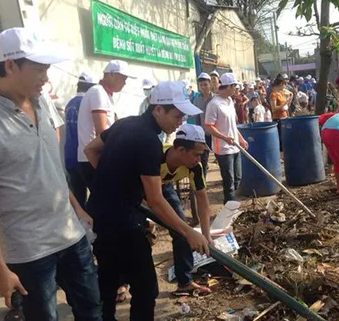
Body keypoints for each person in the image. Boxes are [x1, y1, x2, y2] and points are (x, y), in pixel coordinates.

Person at [0, 27, 102, 320]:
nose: (46, 77)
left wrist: (77, 209)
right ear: (10, 65)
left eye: (46, 69)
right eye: (38, 69)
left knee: (92, 311)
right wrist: (0, 268)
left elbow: (51, 168)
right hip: (29, 251)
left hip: (70, 236)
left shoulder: (44, 102)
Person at [83, 81, 209, 321]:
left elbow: (91, 150)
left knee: (107, 285)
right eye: (177, 115)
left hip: (99, 214)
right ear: (158, 109)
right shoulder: (150, 142)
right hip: (123, 222)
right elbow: (155, 200)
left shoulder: (123, 124)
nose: (180, 121)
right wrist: (187, 232)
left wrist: (111, 181)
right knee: (146, 288)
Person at [159, 124, 213, 296]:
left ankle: (185, 282)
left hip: (164, 186)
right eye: (196, 154)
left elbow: (202, 200)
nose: (199, 159)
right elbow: (151, 199)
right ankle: (119, 282)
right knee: (132, 234)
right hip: (136, 187)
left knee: (182, 232)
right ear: (180, 149)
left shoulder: (194, 167)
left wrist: (206, 235)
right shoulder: (155, 156)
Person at [77, 60, 136, 191]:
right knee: (105, 200)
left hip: (96, 154)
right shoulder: (98, 92)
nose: (124, 83)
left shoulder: (105, 94)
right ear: (111, 75)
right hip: (93, 156)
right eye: (122, 78)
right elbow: (102, 132)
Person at [204, 73, 249, 204]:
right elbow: (208, 127)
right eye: (234, 86)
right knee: (229, 181)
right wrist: (224, 137)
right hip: (223, 149)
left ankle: (230, 202)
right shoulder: (214, 104)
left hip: (235, 146)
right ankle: (229, 208)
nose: (236, 90)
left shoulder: (230, 101)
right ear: (228, 86)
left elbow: (232, 125)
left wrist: (240, 138)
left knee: (238, 178)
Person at [65, 72, 99, 209]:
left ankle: (82, 228)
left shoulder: (70, 104)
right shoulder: (86, 104)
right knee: (97, 196)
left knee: (78, 199)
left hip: (70, 157)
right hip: (85, 158)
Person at [192, 72, 215, 176]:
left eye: (205, 84)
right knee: (203, 160)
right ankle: (203, 184)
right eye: (201, 85)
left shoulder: (215, 98)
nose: (203, 87)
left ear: (209, 84)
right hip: (203, 135)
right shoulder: (197, 100)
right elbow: (196, 118)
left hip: (216, 134)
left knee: (221, 158)